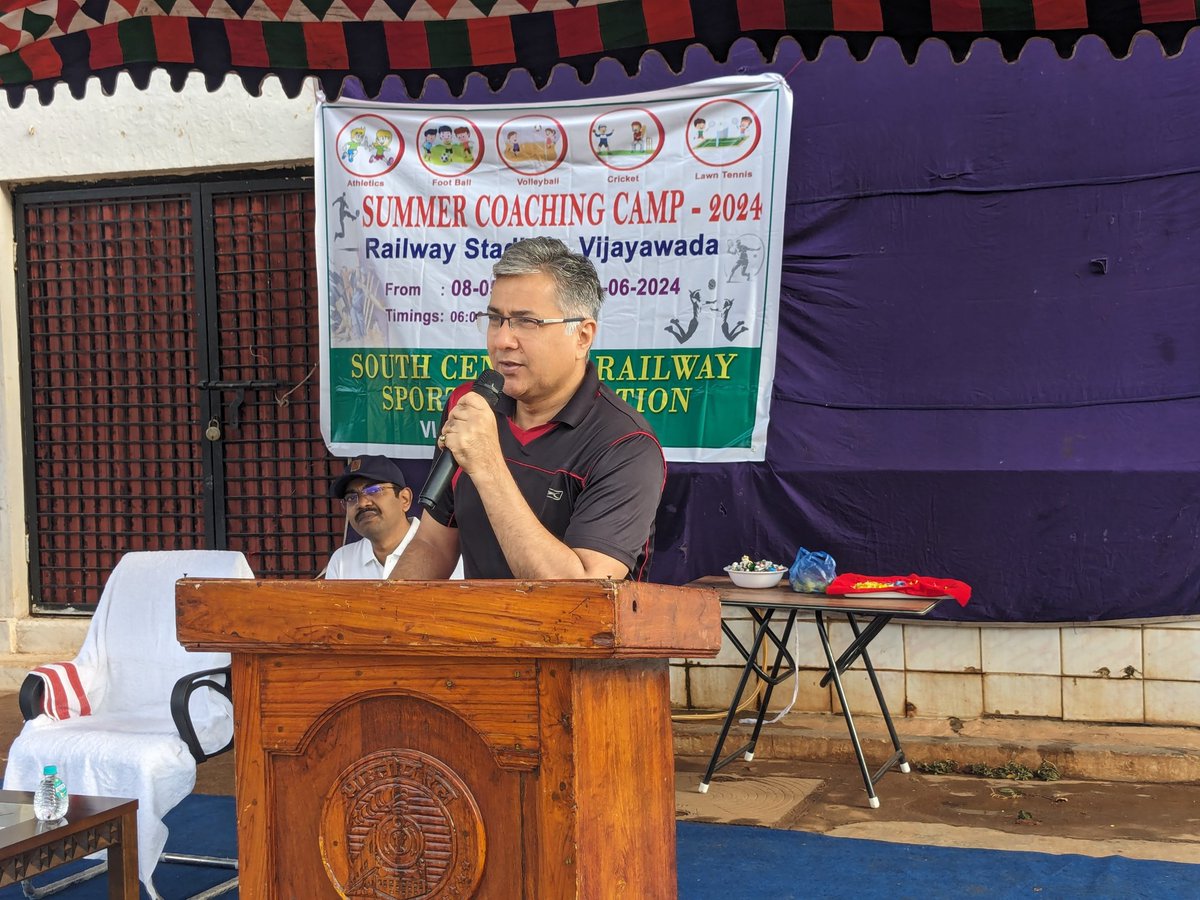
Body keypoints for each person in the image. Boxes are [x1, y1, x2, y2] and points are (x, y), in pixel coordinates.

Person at [389, 237, 665, 581]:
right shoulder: (471, 406)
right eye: (495, 319)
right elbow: (434, 543)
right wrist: (386, 620)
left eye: (526, 322)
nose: (503, 340)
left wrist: (487, 464)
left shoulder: (625, 444)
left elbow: (583, 594)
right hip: (478, 630)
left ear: (582, 336)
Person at [324, 455, 420, 579]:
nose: (363, 503)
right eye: (351, 498)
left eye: (374, 490)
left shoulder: (441, 552)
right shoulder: (343, 561)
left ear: (404, 499)